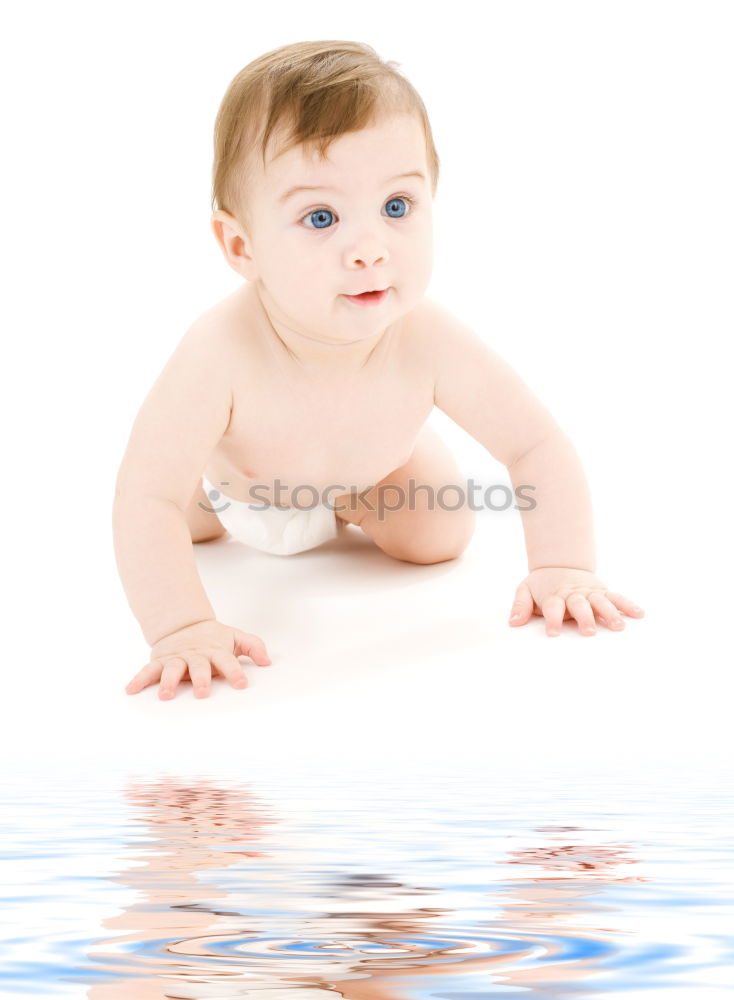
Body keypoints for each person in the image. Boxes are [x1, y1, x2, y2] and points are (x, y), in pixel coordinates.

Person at [113, 40, 644, 701]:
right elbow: (145, 496)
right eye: (321, 217)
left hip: (369, 476)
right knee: (180, 520)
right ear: (241, 245)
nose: (369, 250)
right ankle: (216, 506)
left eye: (397, 207)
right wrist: (182, 626)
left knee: (438, 533)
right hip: (235, 489)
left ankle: (349, 500)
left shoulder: (427, 337)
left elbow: (533, 442)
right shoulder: (219, 351)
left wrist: (564, 567)